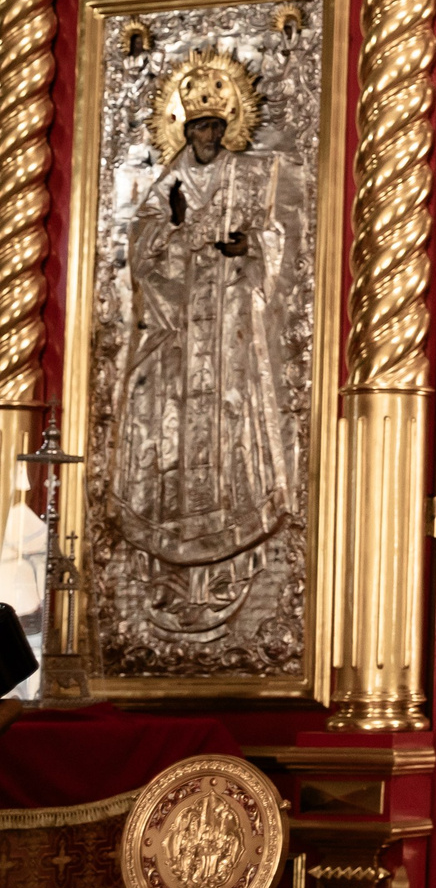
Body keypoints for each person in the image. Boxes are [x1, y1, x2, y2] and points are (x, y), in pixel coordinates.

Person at [104, 91, 302, 657]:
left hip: (230, 331)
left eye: (217, 126)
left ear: (227, 128)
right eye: (200, 128)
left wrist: (249, 246)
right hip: (179, 336)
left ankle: (237, 522)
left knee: (231, 417)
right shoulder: (170, 181)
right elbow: (141, 245)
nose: (209, 136)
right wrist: (173, 237)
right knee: (174, 422)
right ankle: (169, 535)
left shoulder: (246, 174)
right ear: (186, 131)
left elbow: (274, 235)